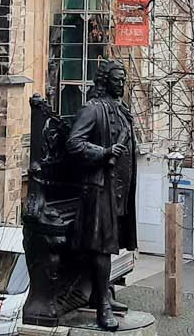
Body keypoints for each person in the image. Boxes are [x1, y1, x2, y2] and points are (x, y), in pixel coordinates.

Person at [65, 60, 138, 331]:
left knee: (111, 243)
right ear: (105, 81)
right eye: (117, 80)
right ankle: (102, 307)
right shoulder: (93, 109)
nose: (122, 84)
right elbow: (74, 143)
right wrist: (104, 152)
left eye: (124, 80)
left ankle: (102, 292)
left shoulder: (121, 109)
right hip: (99, 188)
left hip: (119, 191)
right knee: (102, 248)